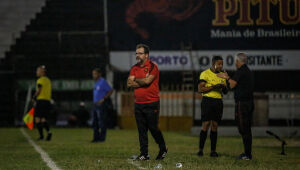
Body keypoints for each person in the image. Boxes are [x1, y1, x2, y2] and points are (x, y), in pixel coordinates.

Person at [127, 44, 167, 160]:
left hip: (152, 102)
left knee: (153, 128)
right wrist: (141, 81)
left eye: (140, 53)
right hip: (138, 103)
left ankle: (163, 148)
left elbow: (148, 81)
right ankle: (144, 154)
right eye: (136, 53)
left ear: (146, 55)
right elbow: (129, 83)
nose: (137, 55)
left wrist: (136, 80)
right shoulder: (134, 68)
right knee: (141, 130)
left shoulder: (153, 67)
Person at [217, 52, 254, 160]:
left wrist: (226, 77)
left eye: (235, 61)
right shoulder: (247, 70)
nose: (235, 63)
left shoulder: (241, 71)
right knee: (245, 128)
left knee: (244, 128)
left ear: (238, 61)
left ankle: (247, 154)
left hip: (243, 104)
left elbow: (232, 84)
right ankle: (247, 153)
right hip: (248, 103)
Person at [197, 56, 228, 157]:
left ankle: (213, 151)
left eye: (222, 64)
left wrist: (224, 85)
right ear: (213, 63)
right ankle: (200, 150)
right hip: (207, 101)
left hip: (218, 102)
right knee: (206, 125)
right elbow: (201, 89)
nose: (220, 66)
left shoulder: (222, 75)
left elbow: (226, 92)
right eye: (219, 64)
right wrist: (214, 86)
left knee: (215, 126)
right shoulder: (205, 73)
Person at [91, 68, 113, 142]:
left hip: (101, 104)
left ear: (99, 74)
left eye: (95, 73)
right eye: (93, 74)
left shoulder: (103, 82)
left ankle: (102, 138)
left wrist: (103, 99)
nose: (93, 75)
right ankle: (95, 138)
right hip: (95, 104)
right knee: (95, 122)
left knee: (102, 122)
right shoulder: (96, 82)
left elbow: (110, 90)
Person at [32, 65, 52, 141]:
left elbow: (39, 90)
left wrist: (33, 97)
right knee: (43, 119)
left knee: (37, 118)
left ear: (42, 72)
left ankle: (41, 136)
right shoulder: (48, 80)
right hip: (47, 101)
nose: (36, 72)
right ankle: (49, 132)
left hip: (41, 101)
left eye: (38, 71)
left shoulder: (40, 80)